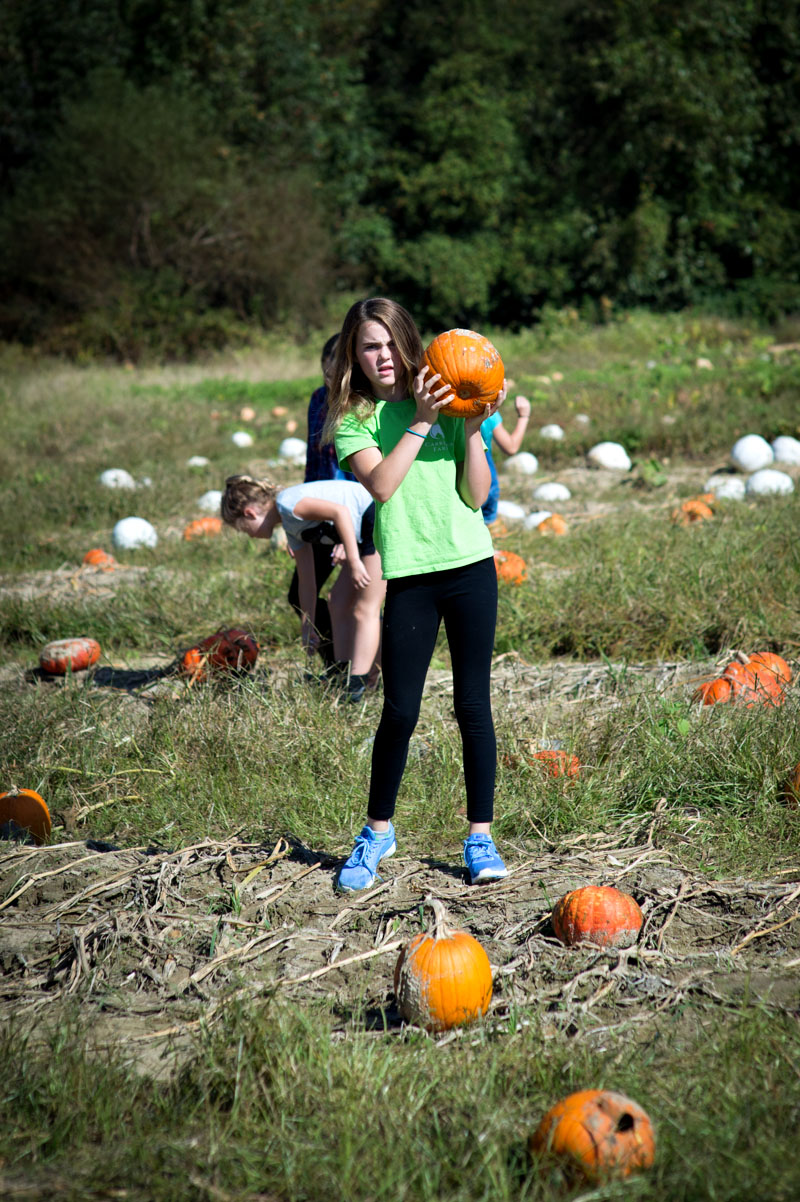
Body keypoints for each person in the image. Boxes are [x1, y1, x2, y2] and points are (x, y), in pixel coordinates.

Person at [323, 297, 508, 890]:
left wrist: (471, 428)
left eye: (389, 343)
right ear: (354, 355)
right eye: (368, 346)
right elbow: (382, 485)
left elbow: (475, 495)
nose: (382, 356)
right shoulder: (355, 421)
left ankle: (480, 838)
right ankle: (377, 833)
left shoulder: (452, 403)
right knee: (400, 710)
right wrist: (423, 419)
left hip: (470, 567)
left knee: (473, 707)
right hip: (409, 577)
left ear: (408, 343)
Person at [221, 474, 385, 701]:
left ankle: (357, 687)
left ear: (250, 513)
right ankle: (342, 673)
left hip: (377, 517)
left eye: (243, 529)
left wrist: (354, 561)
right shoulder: (291, 527)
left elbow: (340, 512)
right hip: (363, 531)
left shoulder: (288, 504)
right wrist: (308, 626)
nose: (249, 535)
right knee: (337, 601)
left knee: (365, 608)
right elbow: (307, 581)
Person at [285, 334, 343, 668]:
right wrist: (301, 522)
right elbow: (314, 460)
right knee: (299, 595)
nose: (335, 371)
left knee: (351, 599)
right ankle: (337, 665)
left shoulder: (362, 405)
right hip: (320, 511)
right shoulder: (318, 399)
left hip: (355, 514)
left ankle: (365, 669)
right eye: (331, 363)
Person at [481, 394, 532, 526]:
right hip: (488, 483)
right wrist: (524, 416)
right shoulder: (487, 411)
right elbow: (511, 447)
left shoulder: (448, 416)